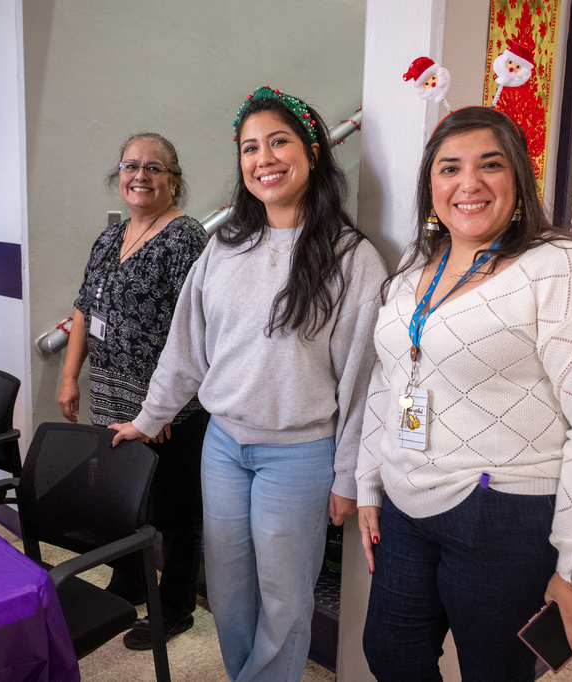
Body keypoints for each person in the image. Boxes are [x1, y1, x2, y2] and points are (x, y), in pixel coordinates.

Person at [110, 87, 387, 682]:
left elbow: (363, 383)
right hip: (223, 447)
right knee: (231, 593)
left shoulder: (351, 257)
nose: (263, 158)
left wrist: (347, 477)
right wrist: (149, 419)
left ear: (313, 153)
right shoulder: (223, 247)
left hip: (300, 455)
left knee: (284, 598)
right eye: (249, 147)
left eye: (279, 142)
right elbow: (186, 348)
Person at [356, 106, 572, 681]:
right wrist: (368, 480)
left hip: (503, 510)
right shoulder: (416, 267)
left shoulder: (562, 267)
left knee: (494, 673)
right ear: (429, 184)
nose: (469, 184)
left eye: (491, 164)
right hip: (408, 505)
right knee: (391, 654)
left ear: (519, 178)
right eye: (449, 168)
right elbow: (389, 380)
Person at [59, 132, 209, 649]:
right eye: (131, 165)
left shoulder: (185, 238)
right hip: (109, 396)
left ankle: (176, 607)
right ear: (117, 175)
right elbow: (84, 307)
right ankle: (128, 579)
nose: (141, 175)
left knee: (174, 511)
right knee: (118, 499)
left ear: (174, 181)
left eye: (155, 167)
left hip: (168, 407)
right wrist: (68, 374)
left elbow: (192, 331)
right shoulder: (109, 237)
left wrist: (160, 405)